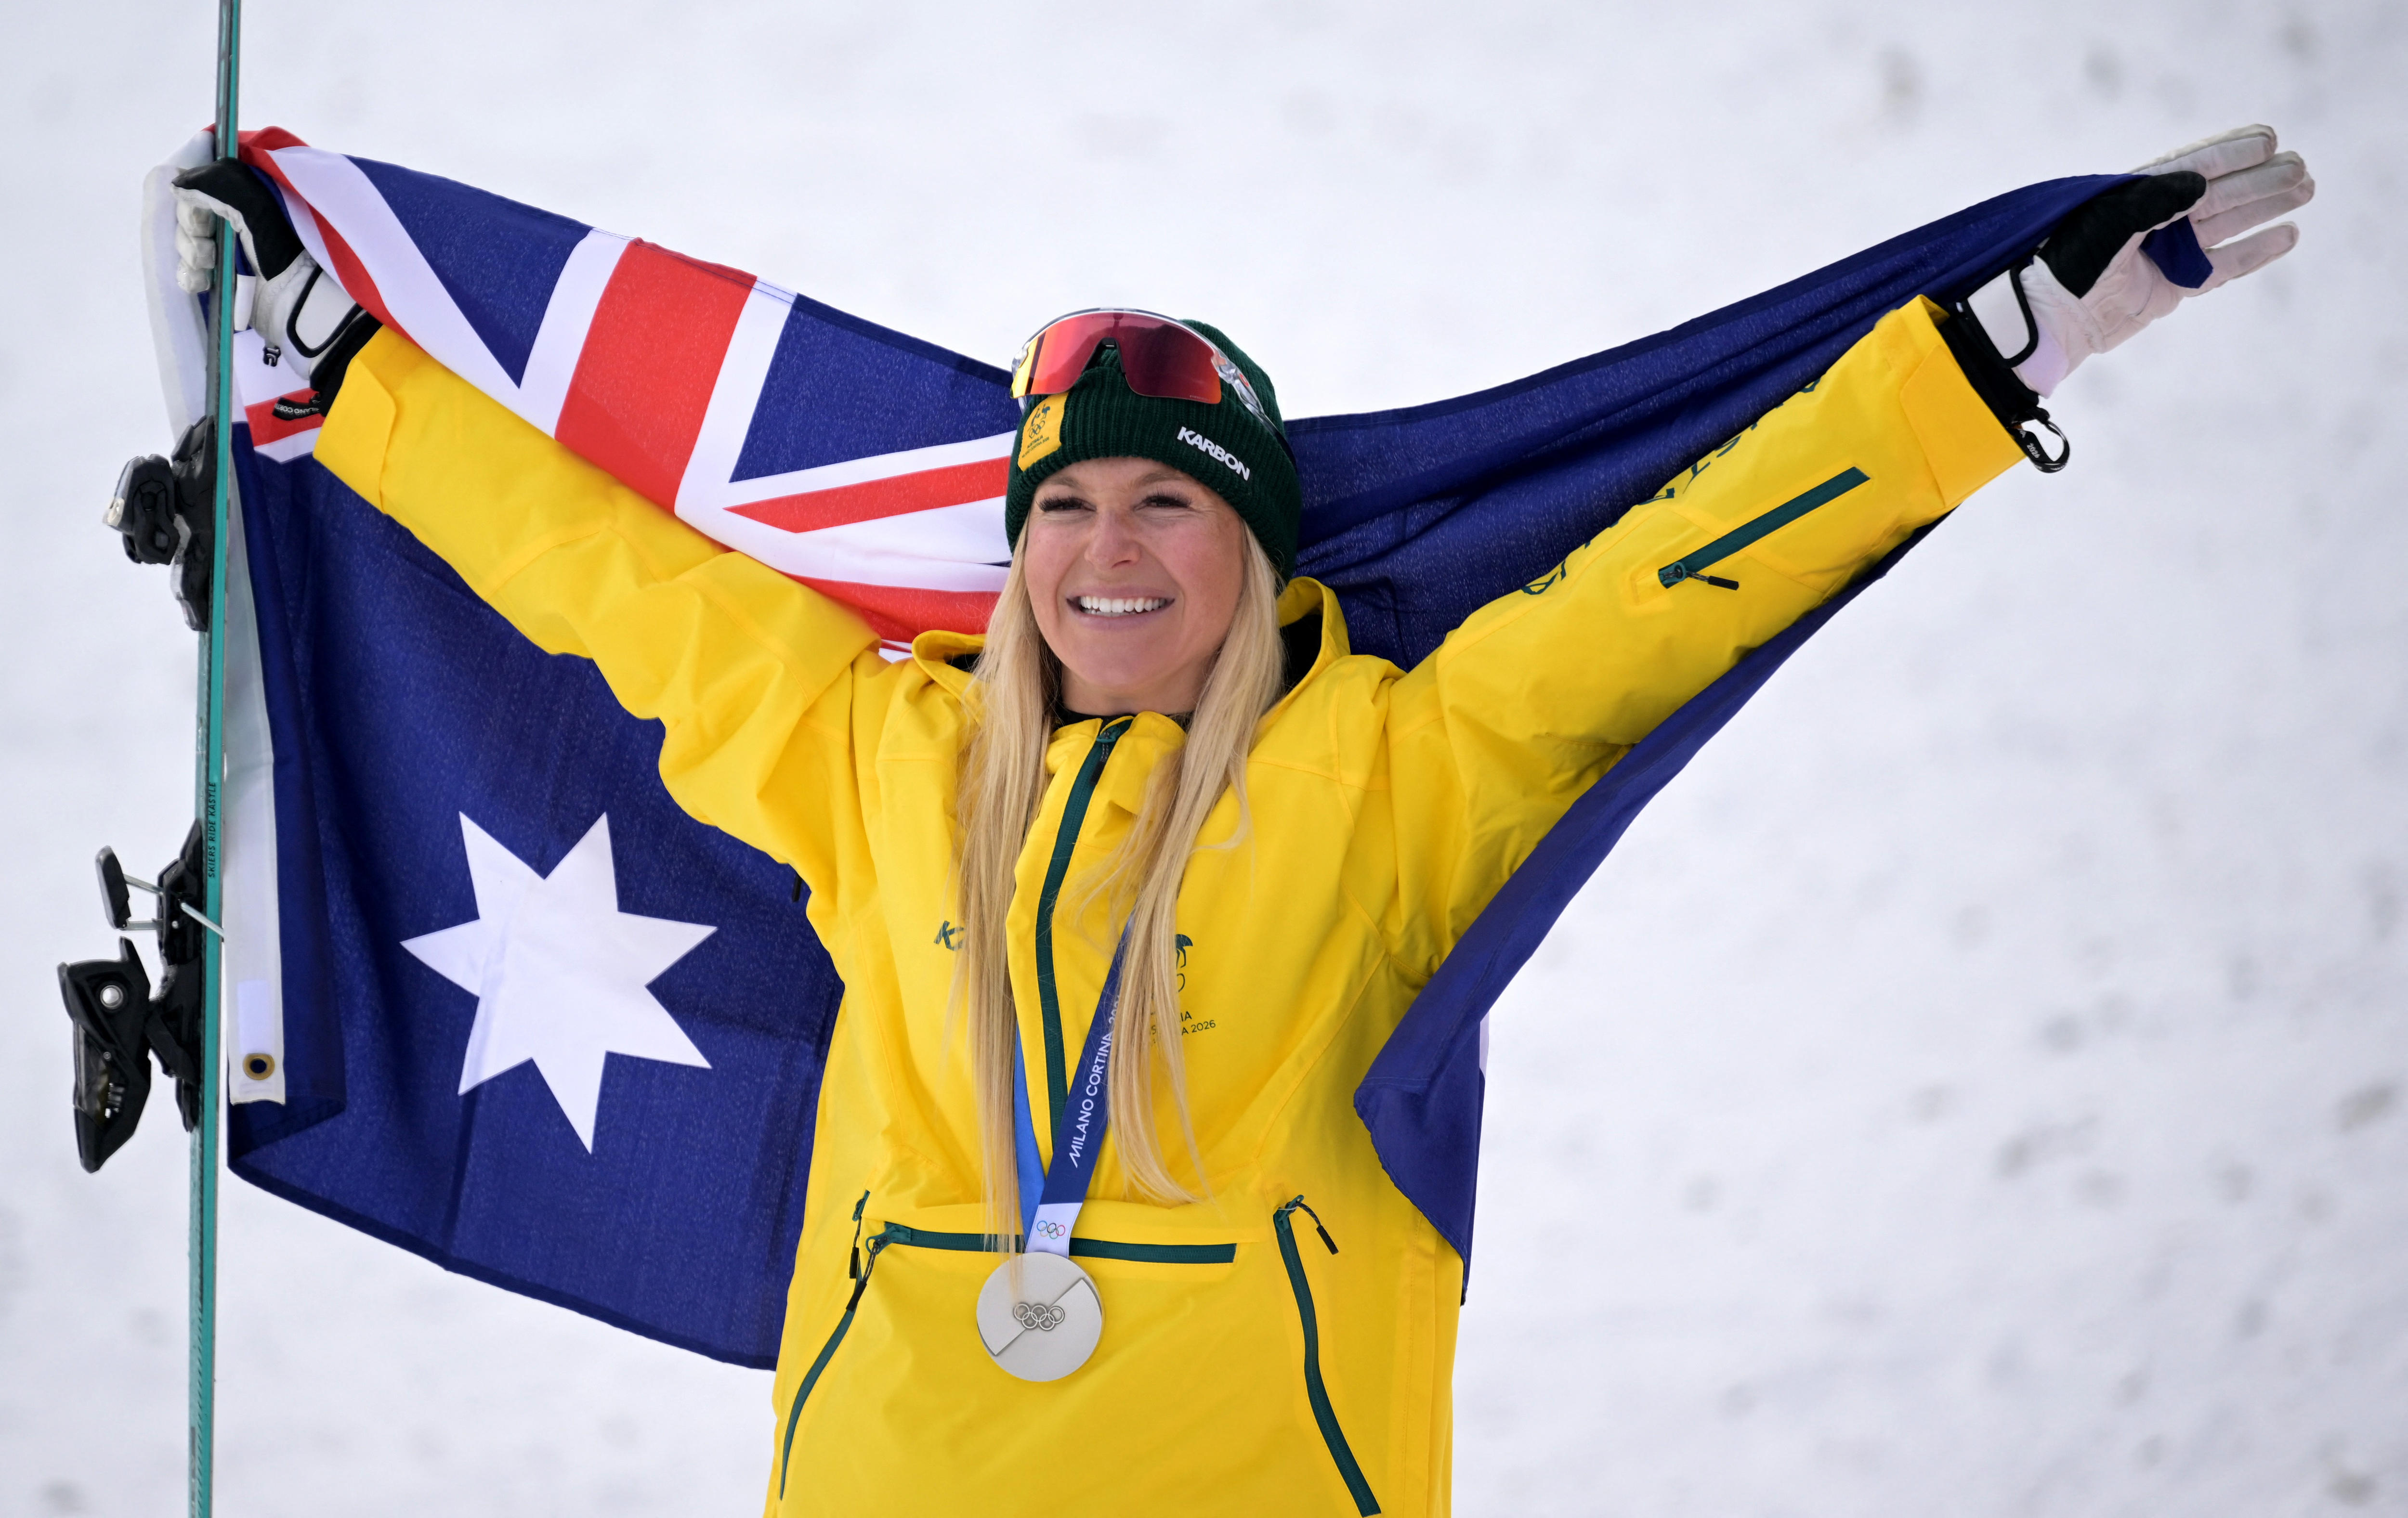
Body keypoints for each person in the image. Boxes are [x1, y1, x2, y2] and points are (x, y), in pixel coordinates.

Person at [173, 124, 2312, 1516]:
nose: (1108, 552)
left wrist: (1985, 359)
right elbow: (615, 586)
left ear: (1253, 548)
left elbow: (1682, 578)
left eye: (1168, 505)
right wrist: (348, 379)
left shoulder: (1391, 771)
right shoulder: (882, 757)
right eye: (1068, 507)